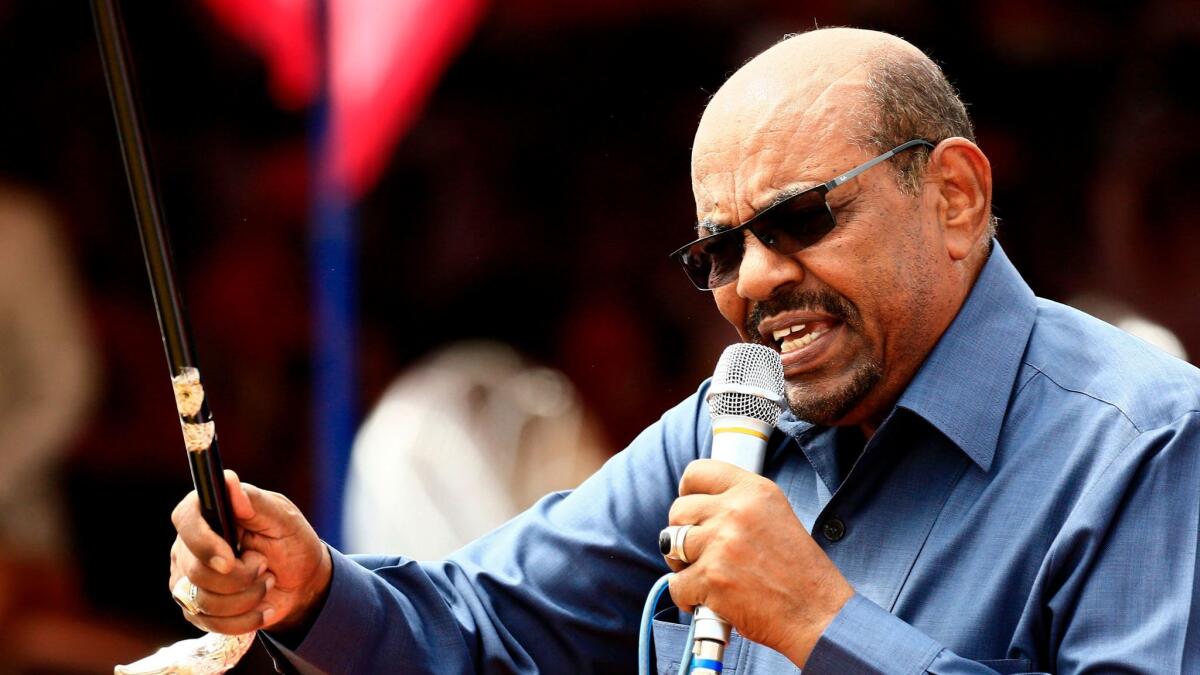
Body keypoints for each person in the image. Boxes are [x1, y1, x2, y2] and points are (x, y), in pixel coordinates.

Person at [168, 27, 1200, 673]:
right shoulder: (737, 422)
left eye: (801, 220)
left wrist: (820, 622)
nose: (753, 280)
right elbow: (488, 627)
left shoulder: (1145, 444)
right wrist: (311, 588)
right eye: (719, 249)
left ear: (956, 197)